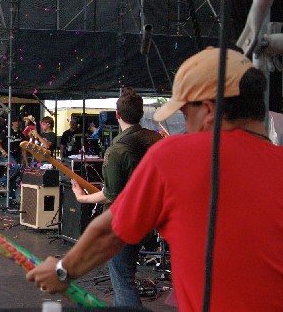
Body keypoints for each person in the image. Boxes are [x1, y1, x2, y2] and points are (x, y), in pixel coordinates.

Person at [25, 47, 283, 312]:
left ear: (208, 110)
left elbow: (109, 233)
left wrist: (61, 271)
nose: (186, 125)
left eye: (185, 114)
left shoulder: (178, 156)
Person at [70, 87, 161, 307]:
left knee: (123, 283)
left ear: (117, 115)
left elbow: (110, 194)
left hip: (122, 222)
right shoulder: (157, 139)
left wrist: (82, 199)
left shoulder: (116, 150)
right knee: (126, 277)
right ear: (140, 113)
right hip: (150, 218)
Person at [0, 119, 24, 201]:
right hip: (6, 154)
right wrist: (2, 151)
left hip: (15, 156)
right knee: (15, 167)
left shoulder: (20, 134)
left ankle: (11, 198)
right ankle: (2, 181)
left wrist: (24, 160)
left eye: (18, 121)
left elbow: (24, 147)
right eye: (15, 121)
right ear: (12, 122)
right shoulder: (6, 131)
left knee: (15, 175)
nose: (17, 122)